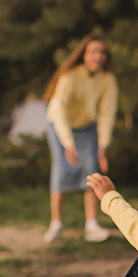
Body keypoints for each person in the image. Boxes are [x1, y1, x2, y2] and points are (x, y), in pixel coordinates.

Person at [43, 34, 118, 243]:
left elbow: (107, 113)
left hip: (87, 127)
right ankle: (56, 224)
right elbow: (59, 111)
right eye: (93, 52)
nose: (98, 56)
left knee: (92, 170)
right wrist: (68, 143)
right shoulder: (69, 76)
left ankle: (91, 225)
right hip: (60, 125)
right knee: (62, 169)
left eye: (102, 52)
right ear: (84, 55)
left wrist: (103, 145)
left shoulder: (108, 79)